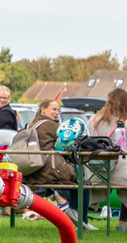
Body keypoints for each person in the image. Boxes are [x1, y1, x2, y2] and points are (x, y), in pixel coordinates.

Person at [21, 99, 97, 231]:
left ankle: (77, 216)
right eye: (54, 109)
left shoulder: (31, 124)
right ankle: (80, 218)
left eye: (58, 110)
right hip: (50, 170)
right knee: (83, 182)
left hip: (34, 171)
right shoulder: (52, 126)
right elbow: (68, 146)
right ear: (43, 109)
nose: (57, 113)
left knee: (78, 179)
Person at [88, 89, 127, 234]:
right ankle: (123, 224)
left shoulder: (94, 120)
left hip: (95, 174)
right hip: (121, 173)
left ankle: (82, 220)